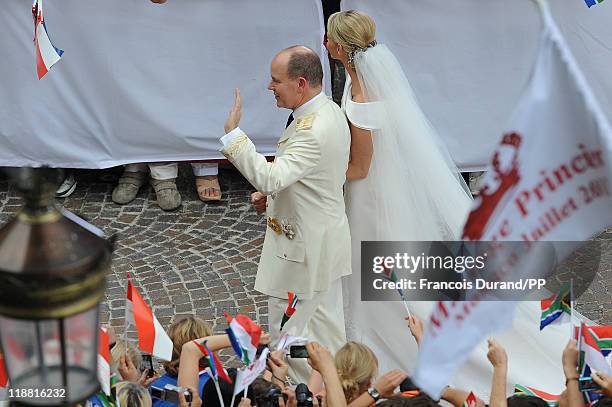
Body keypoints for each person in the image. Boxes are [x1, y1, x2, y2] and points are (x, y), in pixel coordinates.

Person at [324, 8, 472, 373]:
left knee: (374, 264)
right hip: (379, 188)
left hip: (368, 196)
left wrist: (316, 177)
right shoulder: (360, 79)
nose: (324, 42)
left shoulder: (361, 98)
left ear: (340, 47)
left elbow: (360, 167)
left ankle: (383, 340)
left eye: (328, 37)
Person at [220, 46, 351, 382]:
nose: (269, 87)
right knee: (325, 324)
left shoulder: (311, 129)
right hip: (322, 238)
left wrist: (235, 135)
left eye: (276, 80)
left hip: (303, 251)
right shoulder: (327, 111)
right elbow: (305, 175)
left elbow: (271, 175)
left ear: (301, 83)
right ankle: (336, 388)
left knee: (290, 332)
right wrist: (274, 196)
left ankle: (298, 391)